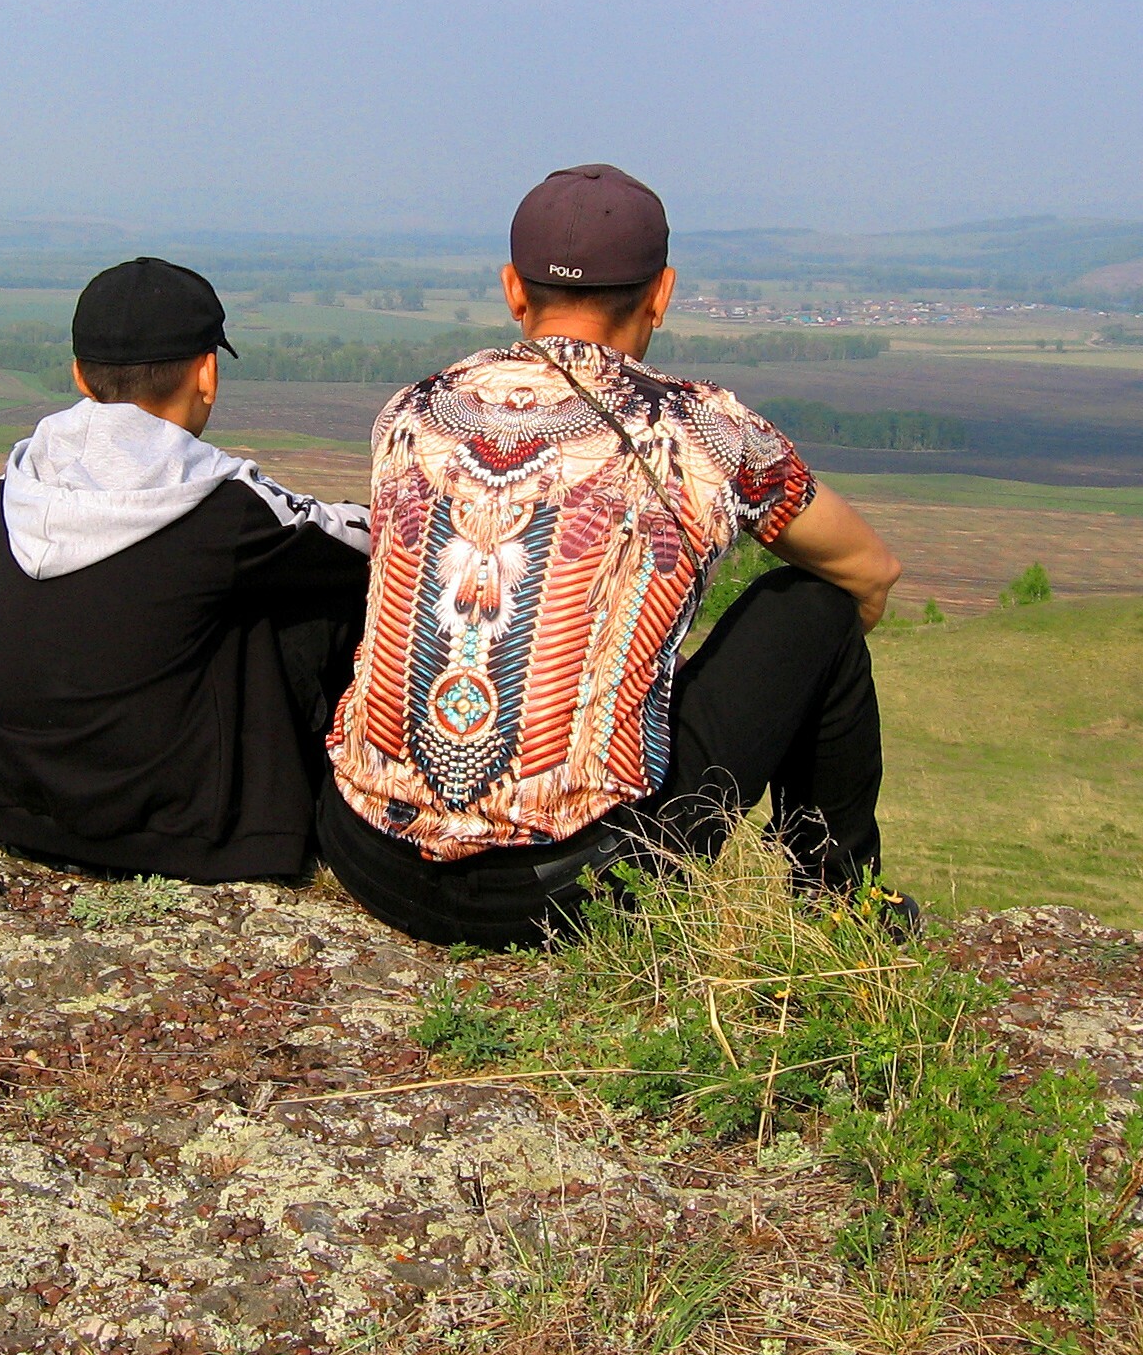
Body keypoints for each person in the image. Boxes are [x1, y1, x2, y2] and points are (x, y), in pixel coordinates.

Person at [319, 165, 907, 949]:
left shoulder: (413, 408)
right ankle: (838, 908)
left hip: (366, 857)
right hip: (573, 894)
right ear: (661, 294)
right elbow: (868, 572)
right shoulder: (706, 428)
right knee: (814, 608)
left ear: (512, 291)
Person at [0, 257, 372, 883]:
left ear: (79, 376)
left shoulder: (18, 483)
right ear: (208, 373)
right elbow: (367, 544)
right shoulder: (223, 509)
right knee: (326, 605)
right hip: (171, 834)